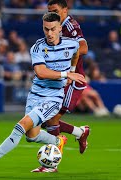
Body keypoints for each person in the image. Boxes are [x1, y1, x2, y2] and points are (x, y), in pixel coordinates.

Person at [0, 12, 86, 172]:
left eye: (53, 29)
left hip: (53, 97)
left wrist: (73, 70)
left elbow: (76, 53)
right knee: (31, 136)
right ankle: (57, 141)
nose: (49, 33)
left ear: (60, 28)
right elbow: (41, 72)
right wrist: (67, 74)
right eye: (46, 29)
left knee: (21, 125)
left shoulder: (71, 44)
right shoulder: (38, 47)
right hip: (35, 94)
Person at [37, 0, 89, 158]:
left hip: (72, 81)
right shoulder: (54, 27)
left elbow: (84, 48)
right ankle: (80, 132)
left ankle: (52, 161)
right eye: (49, 11)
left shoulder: (70, 25)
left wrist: (66, 59)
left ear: (65, 10)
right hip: (59, 80)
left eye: (55, 11)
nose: (52, 14)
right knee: (46, 121)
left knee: (51, 119)